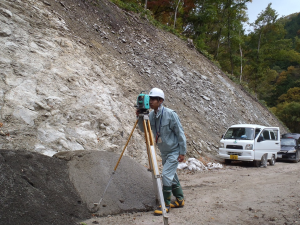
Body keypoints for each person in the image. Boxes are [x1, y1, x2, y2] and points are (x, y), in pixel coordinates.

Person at [136, 88, 186, 215]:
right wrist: (140, 117)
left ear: (160, 101)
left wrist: (182, 152)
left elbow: (180, 133)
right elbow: (143, 130)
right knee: (171, 175)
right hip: (164, 152)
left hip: (174, 151)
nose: (150, 101)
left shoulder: (170, 114)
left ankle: (165, 205)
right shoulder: (151, 116)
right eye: (150, 99)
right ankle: (180, 200)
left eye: (153, 99)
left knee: (166, 176)